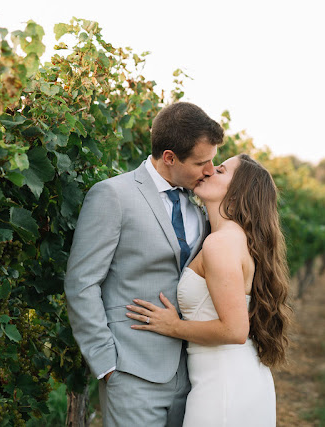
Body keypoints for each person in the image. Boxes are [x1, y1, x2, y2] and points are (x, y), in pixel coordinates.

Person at [64, 102, 224, 426]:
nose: (210, 170)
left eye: (212, 161)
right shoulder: (113, 195)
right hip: (132, 372)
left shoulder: (199, 204)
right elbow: (81, 282)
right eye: (201, 162)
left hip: (193, 373)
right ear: (169, 157)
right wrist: (107, 365)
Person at [125, 154, 292, 426]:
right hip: (229, 377)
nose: (209, 170)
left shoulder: (220, 244)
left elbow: (235, 330)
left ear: (237, 194)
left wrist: (173, 326)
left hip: (224, 385)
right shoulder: (232, 238)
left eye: (221, 170)